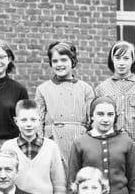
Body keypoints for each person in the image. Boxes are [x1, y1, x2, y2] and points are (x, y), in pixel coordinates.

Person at [67, 96, 135, 194]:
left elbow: (133, 180)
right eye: (100, 114)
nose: (105, 119)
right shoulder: (80, 143)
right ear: (92, 116)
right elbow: (72, 181)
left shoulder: (126, 142)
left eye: (110, 114)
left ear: (115, 116)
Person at [34, 41, 94, 171]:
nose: (59, 64)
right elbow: (38, 121)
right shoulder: (43, 89)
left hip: (78, 140)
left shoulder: (85, 89)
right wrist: (40, 146)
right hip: (53, 141)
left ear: (72, 61)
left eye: (64, 60)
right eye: (55, 61)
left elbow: (92, 121)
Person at [94, 40, 135, 145]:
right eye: (117, 58)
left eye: (126, 58)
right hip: (110, 145)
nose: (121, 63)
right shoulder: (101, 89)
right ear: (112, 60)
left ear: (133, 60)